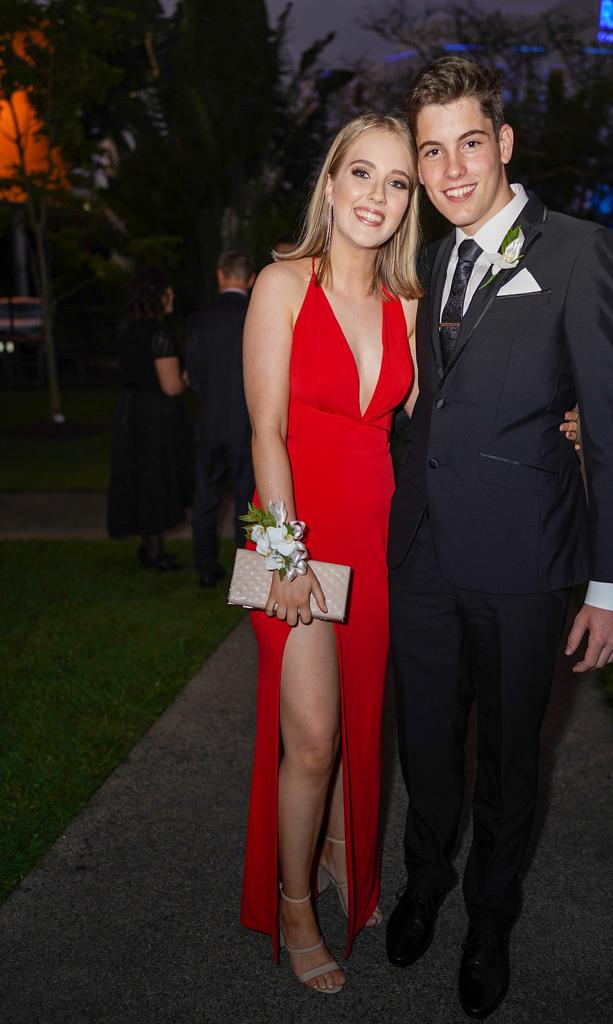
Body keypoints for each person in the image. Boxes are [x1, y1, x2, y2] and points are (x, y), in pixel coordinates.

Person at [385, 57, 613, 1020]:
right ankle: (426, 882)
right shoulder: (426, 255)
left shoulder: (579, 250)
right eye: (432, 150)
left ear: (503, 144)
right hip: (420, 555)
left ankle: (491, 920)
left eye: (469, 143)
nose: (452, 169)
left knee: (508, 762)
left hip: (526, 560)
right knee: (426, 745)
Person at [239, 113, 422, 994]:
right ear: (330, 182)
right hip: (294, 535)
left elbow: (450, 414)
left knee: (358, 724)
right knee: (312, 740)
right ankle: (295, 903)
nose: (376, 196)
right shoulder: (281, 283)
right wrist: (283, 554)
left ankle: (350, 857)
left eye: (396, 182)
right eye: (362, 173)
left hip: (377, 540)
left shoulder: (409, 303)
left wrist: (558, 421)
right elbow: (266, 432)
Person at [107, 268, 192, 568]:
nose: (172, 296)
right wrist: (187, 377)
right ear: (156, 296)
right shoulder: (159, 333)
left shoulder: (129, 329)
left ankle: (148, 546)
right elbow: (170, 386)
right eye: (168, 291)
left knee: (141, 478)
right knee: (156, 478)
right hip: (154, 415)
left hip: (131, 411)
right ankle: (154, 553)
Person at [186, 250, 256, 587]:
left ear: (220, 275)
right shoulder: (258, 314)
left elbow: (195, 378)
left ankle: (206, 568)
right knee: (247, 502)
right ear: (251, 279)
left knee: (206, 500)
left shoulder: (200, 319)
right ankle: (246, 579)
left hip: (210, 425)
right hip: (248, 426)